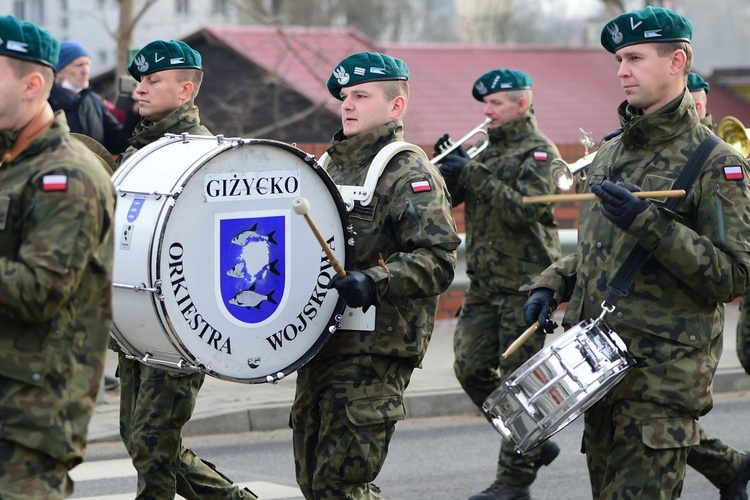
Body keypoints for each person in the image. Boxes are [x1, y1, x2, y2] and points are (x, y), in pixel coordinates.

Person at [522, 6, 750, 499]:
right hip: (598, 376)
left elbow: (733, 277)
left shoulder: (716, 162)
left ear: (678, 61)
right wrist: (553, 283)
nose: (621, 70)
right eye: (619, 60)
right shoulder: (609, 153)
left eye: (635, 58)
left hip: (659, 388)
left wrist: (648, 223)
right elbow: (597, 252)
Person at [290, 51, 460, 499]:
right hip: (323, 341)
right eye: (344, 96)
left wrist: (375, 279)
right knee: (312, 480)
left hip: (375, 350)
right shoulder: (326, 165)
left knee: (340, 483)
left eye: (361, 96)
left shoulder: (408, 172)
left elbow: (439, 260)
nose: (347, 105)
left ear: (395, 106)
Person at [114, 39, 257, 500]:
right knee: (140, 440)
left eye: (153, 81)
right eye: (139, 81)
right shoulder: (139, 149)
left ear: (186, 90)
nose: (140, 90)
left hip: (177, 321)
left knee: (153, 445)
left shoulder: (200, 155)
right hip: (136, 318)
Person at [433, 68, 562, 499]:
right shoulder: (485, 151)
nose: (485, 113)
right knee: (469, 368)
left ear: (521, 105)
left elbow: (528, 209)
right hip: (486, 285)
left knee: (520, 380)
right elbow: (456, 199)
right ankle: (532, 439)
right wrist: (448, 170)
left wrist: (470, 172)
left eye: (495, 104)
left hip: (526, 285)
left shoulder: (538, 152)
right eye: (484, 106)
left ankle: (513, 482)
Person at [0, 15, 115, 498]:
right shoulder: (11, 162)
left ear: (31, 85)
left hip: (28, 418)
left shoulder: (67, 176)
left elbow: (38, 290)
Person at [48, 40, 133, 155]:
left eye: (87, 64)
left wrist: (134, 112)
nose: (86, 71)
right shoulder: (46, 104)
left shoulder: (94, 101)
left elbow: (118, 143)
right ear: (60, 72)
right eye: (79, 65)